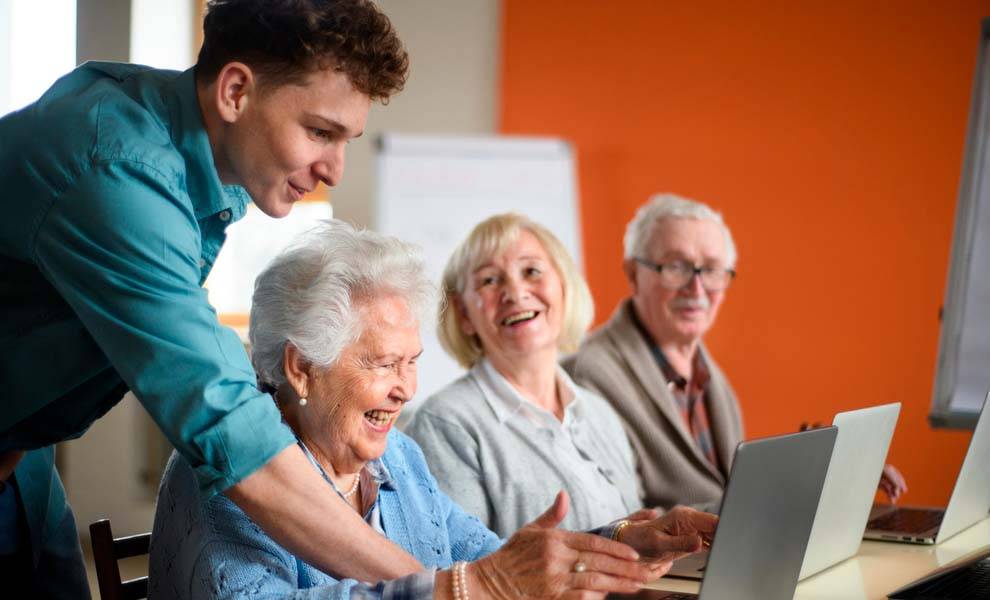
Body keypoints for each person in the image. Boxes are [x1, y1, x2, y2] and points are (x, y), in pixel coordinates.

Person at [0, 1, 423, 596]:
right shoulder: (117, 167)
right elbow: (223, 419)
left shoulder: (199, 159)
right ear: (235, 92)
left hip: (23, 462)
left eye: (347, 138)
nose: (334, 168)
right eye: (319, 132)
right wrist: (441, 588)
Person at [149, 219, 717, 599]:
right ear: (301, 368)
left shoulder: (398, 459)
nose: (406, 389)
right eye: (383, 364)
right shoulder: (232, 470)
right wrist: (470, 588)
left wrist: (620, 541)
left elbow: (498, 566)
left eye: (411, 362)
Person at [563, 193, 907, 512]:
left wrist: (817, 471)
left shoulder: (709, 376)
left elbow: (723, 493)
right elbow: (625, 519)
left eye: (711, 270)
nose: (697, 288)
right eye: (676, 267)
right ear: (633, 273)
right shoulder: (589, 375)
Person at [405, 213, 690, 540]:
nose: (514, 291)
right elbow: (469, 571)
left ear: (565, 288)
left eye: (532, 271)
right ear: (464, 314)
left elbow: (636, 535)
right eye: (489, 280)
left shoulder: (601, 413)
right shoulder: (444, 424)